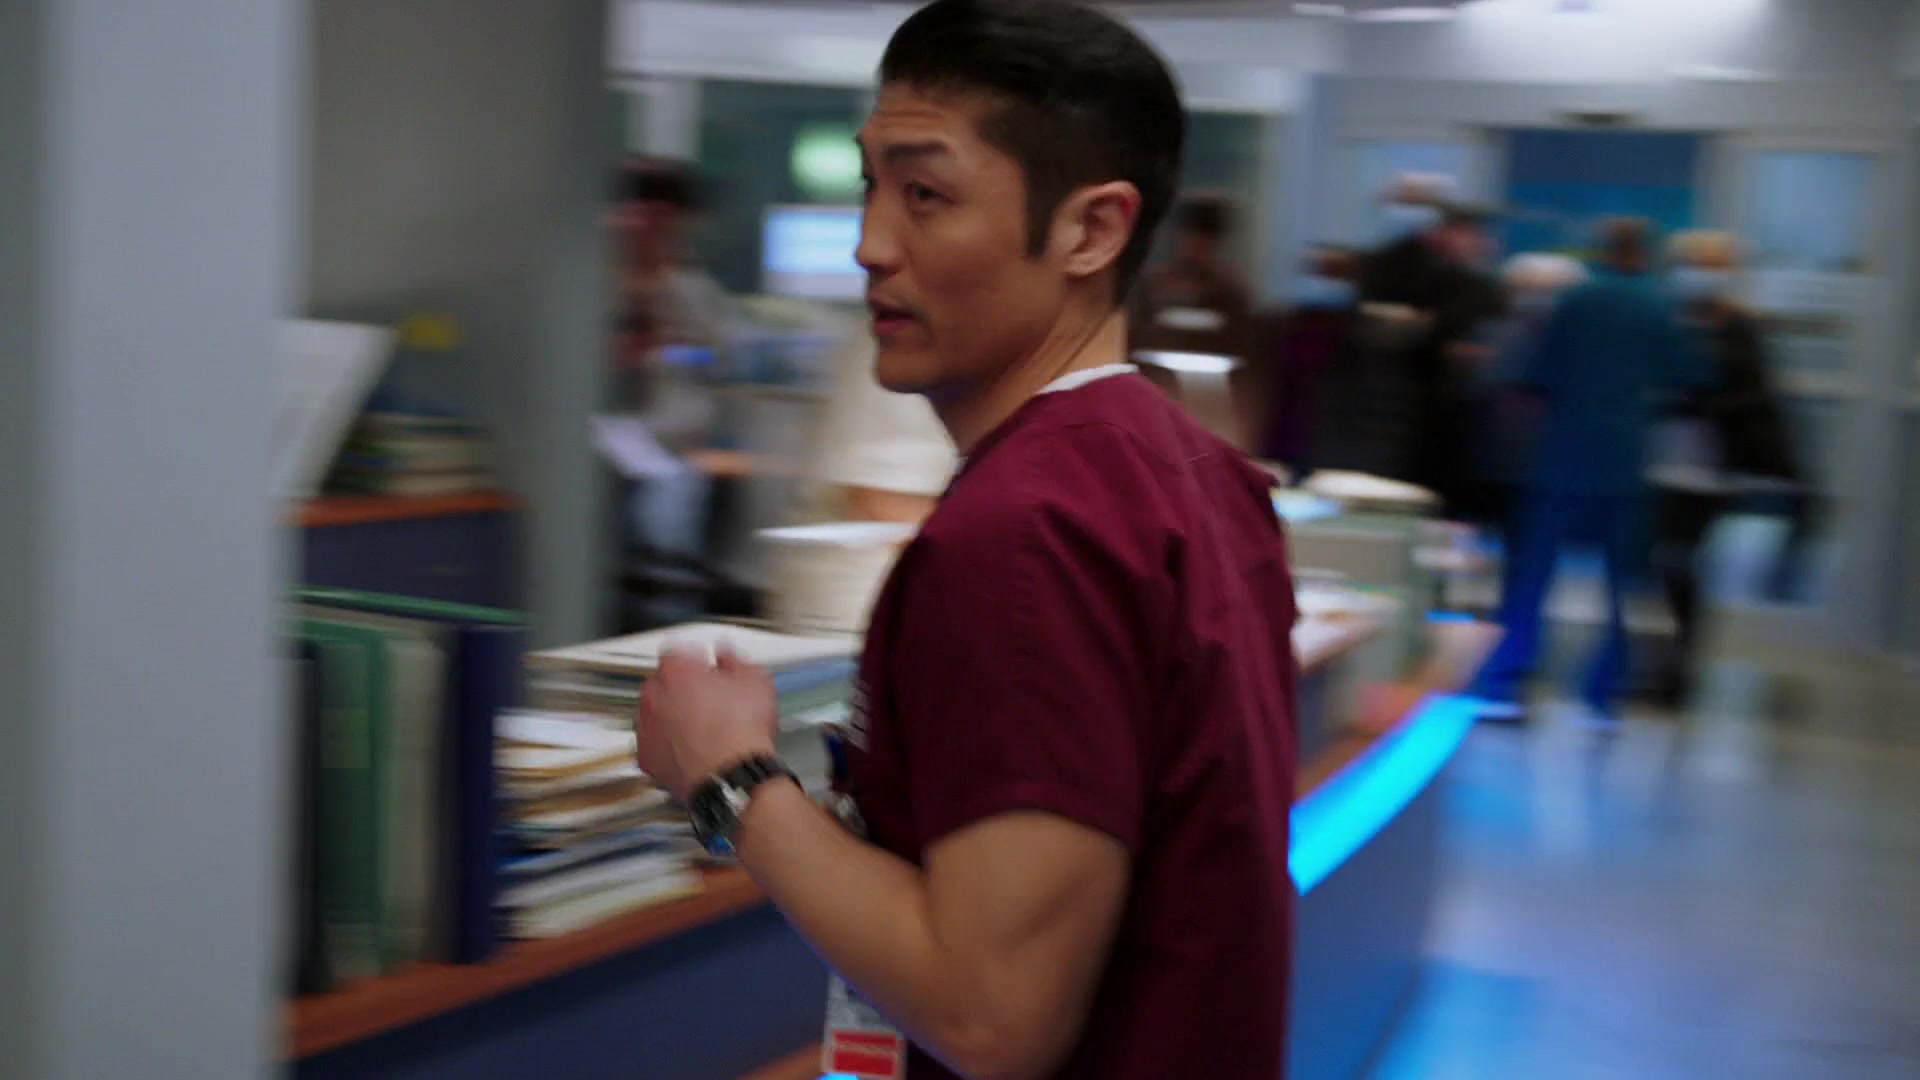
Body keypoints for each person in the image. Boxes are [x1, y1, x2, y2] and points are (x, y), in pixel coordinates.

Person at [634, 4, 1299, 1079]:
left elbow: (995, 1015)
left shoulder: (1025, 533)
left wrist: (729, 779)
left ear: (1092, 231)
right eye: (872, 186)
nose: (869, 244)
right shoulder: (1195, 474)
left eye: (926, 196)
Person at [1471, 219, 1703, 725]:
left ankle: (1507, 681)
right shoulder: (1657, 306)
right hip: (1624, 464)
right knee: (1621, 587)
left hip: (1561, 460)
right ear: (1645, 254)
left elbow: (1537, 372)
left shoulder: (1574, 302)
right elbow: (1689, 374)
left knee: (1532, 579)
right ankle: (1603, 693)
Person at [1649, 230, 1816, 704]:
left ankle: (1682, 659)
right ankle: (1670, 654)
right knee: (1666, 561)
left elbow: (1752, 394)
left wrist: (1698, 401)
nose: (1701, 276)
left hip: (1711, 468)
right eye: (1695, 265)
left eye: (1712, 266)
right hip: (1663, 461)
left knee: (1682, 558)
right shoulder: (1666, 319)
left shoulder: (1740, 329)